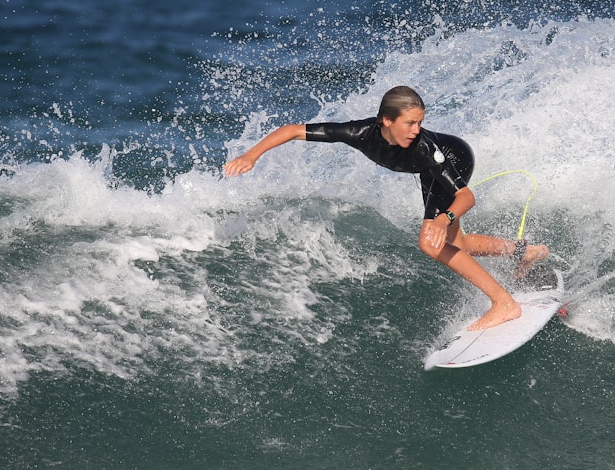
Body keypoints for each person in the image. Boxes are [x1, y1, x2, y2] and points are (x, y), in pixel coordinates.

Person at [223, 85, 548, 330]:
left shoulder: (425, 148)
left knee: (430, 241)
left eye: (420, 122)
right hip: (427, 171)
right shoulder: (359, 133)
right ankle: (524, 251)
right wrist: (252, 155)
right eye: (409, 123)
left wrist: (445, 217)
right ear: (386, 121)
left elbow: (466, 197)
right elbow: (294, 130)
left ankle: (503, 303)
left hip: (453, 159)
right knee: (456, 243)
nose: (416, 130)